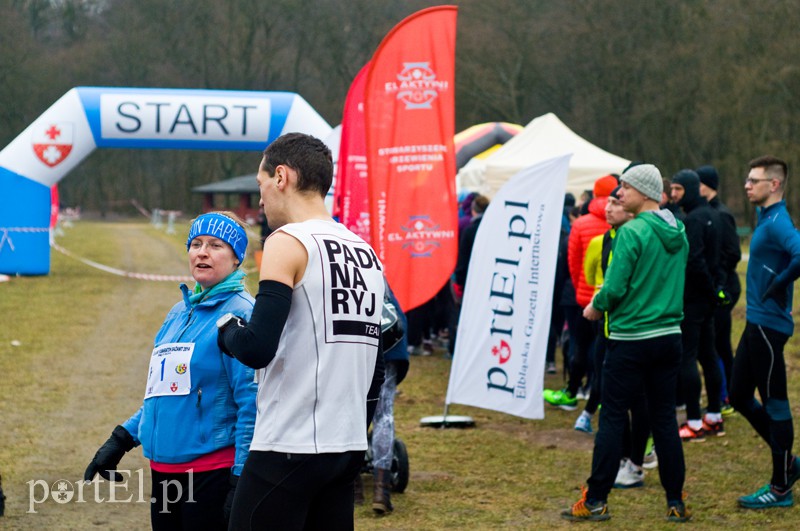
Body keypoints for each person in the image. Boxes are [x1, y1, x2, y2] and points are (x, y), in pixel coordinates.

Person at [218, 133, 386, 530]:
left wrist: (226, 328)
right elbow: (375, 362)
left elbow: (257, 346)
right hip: (345, 446)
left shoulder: (288, 241)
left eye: (260, 187)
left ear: (281, 177)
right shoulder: (367, 252)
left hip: (289, 443)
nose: (259, 201)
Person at [84, 211, 257, 530]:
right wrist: (121, 439)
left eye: (216, 245)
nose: (202, 252)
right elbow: (162, 393)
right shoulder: (179, 312)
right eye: (196, 243)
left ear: (236, 259)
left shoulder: (242, 313)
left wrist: (241, 477)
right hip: (163, 471)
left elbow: (252, 404)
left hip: (211, 473)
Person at [561, 164, 690, 522]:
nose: (618, 194)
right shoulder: (678, 229)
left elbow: (615, 288)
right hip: (668, 337)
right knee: (664, 419)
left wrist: (594, 306)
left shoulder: (632, 232)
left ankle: (596, 500)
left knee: (614, 417)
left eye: (625, 188)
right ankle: (675, 501)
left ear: (645, 192)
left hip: (631, 338)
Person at [730, 155, 800, 509]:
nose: (746, 184)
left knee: (775, 404)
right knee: (738, 394)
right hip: (756, 323)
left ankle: (780, 488)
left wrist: (778, 285)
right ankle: (788, 460)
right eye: (746, 178)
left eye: (753, 180)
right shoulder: (766, 217)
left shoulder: (778, 222)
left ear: (773, 184)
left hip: (769, 327)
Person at [544, 174, 617, 410]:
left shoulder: (581, 223)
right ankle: (599, 394)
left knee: (579, 346)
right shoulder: (621, 220)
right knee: (605, 349)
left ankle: (573, 390)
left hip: (584, 296)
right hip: (612, 298)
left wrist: (579, 289)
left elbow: (573, 263)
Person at [670, 170, 724, 441]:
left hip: (694, 299)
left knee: (688, 358)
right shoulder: (713, 214)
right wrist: (715, 291)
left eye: (678, 189)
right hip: (708, 298)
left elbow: (695, 261)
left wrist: (707, 290)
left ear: (691, 189)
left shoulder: (693, 219)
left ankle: (693, 421)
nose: (674, 194)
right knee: (708, 355)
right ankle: (714, 415)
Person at [696, 164, 741, 415]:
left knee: (720, 344)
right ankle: (729, 395)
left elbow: (732, 252)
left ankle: (729, 397)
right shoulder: (707, 212)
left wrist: (719, 278)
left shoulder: (721, 214)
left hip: (726, 288)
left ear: (707, 186)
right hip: (716, 286)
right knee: (718, 343)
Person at [370, 282, 410, 515]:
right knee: (384, 414)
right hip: (390, 340)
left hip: (352, 339)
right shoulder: (373, 264)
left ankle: (353, 487)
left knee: (352, 410)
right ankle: (381, 491)